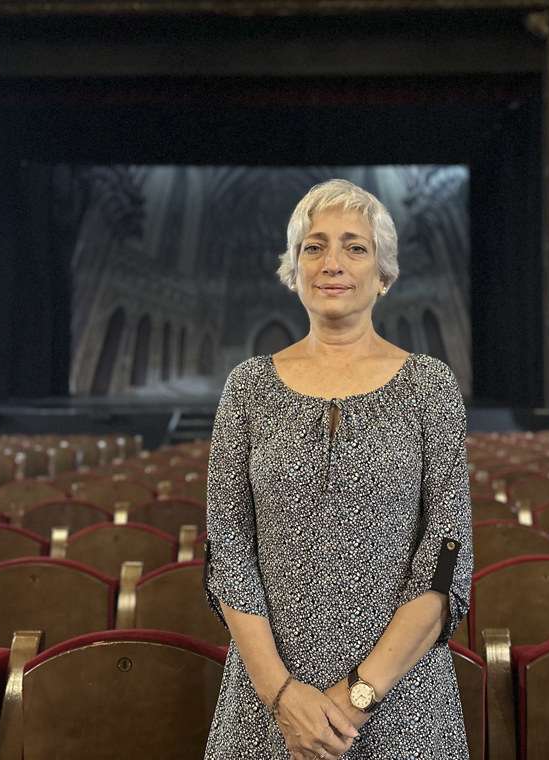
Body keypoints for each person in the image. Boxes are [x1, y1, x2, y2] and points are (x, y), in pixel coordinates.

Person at [203, 178, 473, 759]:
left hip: (402, 701)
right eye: (314, 246)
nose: (332, 263)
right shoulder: (247, 387)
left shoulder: (430, 386)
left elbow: (446, 556)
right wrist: (282, 696)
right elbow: (228, 549)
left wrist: (356, 696)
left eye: (354, 247)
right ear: (293, 269)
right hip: (269, 705)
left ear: (383, 274)